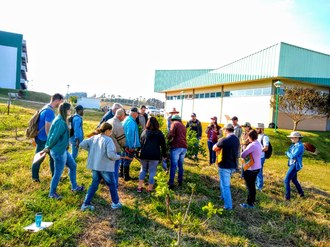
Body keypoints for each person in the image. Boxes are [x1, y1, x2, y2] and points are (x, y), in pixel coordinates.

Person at [80, 122, 130, 211]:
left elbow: (82, 144)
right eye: (110, 131)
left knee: (94, 184)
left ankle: (85, 204)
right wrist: (120, 157)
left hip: (95, 166)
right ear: (107, 130)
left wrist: (92, 151)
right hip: (105, 167)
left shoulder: (94, 138)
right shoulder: (108, 140)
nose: (111, 133)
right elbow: (111, 155)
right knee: (112, 184)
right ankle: (115, 203)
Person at [43, 102, 84, 199]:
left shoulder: (62, 119)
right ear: (66, 110)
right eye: (69, 109)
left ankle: (74, 187)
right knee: (58, 173)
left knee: (73, 165)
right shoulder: (60, 122)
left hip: (63, 150)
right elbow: (53, 136)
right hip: (58, 151)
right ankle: (52, 193)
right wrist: (48, 147)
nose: (71, 111)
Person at [31, 93, 64, 182]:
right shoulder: (49, 111)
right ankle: (35, 178)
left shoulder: (45, 107)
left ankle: (55, 177)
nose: (61, 104)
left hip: (40, 137)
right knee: (39, 158)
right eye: (61, 102)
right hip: (44, 140)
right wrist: (51, 141)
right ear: (57, 100)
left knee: (53, 158)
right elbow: (47, 128)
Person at [213, 123, 240, 210]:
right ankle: (223, 197)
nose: (223, 131)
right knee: (223, 182)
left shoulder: (224, 140)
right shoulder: (236, 139)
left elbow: (214, 148)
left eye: (224, 130)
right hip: (233, 165)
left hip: (224, 165)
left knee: (226, 186)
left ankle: (228, 206)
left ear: (226, 130)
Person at [137, 117, 167, 192]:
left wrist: (137, 152)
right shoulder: (159, 133)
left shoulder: (144, 132)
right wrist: (164, 155)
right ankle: (149, 189)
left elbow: (140, 143)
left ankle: (139, 187)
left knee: (143, 170)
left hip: (144, 154)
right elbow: (163, 145)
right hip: (154, 155)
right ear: (157, 124)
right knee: (152, 171)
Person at [240, 130, 262, 209]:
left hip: (250, 168)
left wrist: (244, 147)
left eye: (248, 137)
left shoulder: (252, 145)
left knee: (250, 186)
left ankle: (250, 203)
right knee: (252, 185)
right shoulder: (258, 143)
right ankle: (252, 201)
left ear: (250, 137)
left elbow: (243, 155)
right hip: (257, 167)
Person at [107, 108, 126, 188]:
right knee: (115, 169)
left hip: (107, 148)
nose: (124, 117)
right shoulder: (118, 125)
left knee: (108, 168)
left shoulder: (109, 121)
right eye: (124, 116)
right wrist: (124, 146)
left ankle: (108, 182)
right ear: (121, 116)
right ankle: (114, 185)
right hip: (115, 149)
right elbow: (122, 141)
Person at [168, 115, 187, 189]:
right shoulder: (183, 125)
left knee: (173, 165)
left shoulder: (174, 123)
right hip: (184, 147)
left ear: (173, 119)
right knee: (180, 165)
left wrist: (168, 139)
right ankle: (180, 181)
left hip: (176, 147)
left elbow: (171, 134)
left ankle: (171, 183)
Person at [284, 131, 305, 201]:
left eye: (292, 137)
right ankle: (301, 194)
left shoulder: (300, 146)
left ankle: (287, 197)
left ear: (297, 138)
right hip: (292, 163)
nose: (291, 139)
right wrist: (288, 153)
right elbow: (289, 153)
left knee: (286, 180)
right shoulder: (293, 145)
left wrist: (287, 153)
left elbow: (292, 155)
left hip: (295, 164)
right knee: (294, 180)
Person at [122, 107, 141, 181]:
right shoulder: (131, 122)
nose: (138, 115)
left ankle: (122, 174)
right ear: (134, 113)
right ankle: (126, 176)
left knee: (124, 158)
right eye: (137, 113)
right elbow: (129, 134)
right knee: (128, 159)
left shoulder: (127, 119)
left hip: (125, 144)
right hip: (129, 145)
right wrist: (130, 146)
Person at [255, 123, 269, 191]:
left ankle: (259, 187)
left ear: (262, 129)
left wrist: (258, 151)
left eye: (257, 128)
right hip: (256, 156)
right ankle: (255, 185)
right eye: (256, 128)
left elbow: (266, 148)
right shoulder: (257, 136)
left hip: (261, 157)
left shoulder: (265, 137)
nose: (256, 130)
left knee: (259, 172)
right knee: (255, 171)